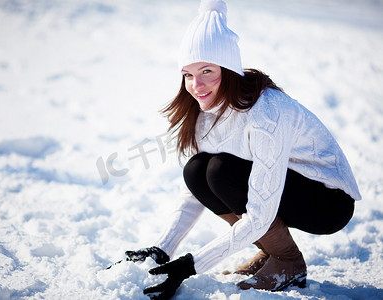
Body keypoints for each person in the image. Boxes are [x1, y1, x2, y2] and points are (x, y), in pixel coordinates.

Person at [120, 0, 361, 298]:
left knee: (222, 170)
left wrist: (191, 265)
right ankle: (270, 249)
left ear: (228, 68)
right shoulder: (205, 112)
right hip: (284, 189)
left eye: (207, 70)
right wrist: (163, 249)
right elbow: (197, 190)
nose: (197, 85)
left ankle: (287, 261)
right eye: (188, 74)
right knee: (197, 171)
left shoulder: (267, 112)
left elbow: (259, 211)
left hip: (328, 202)